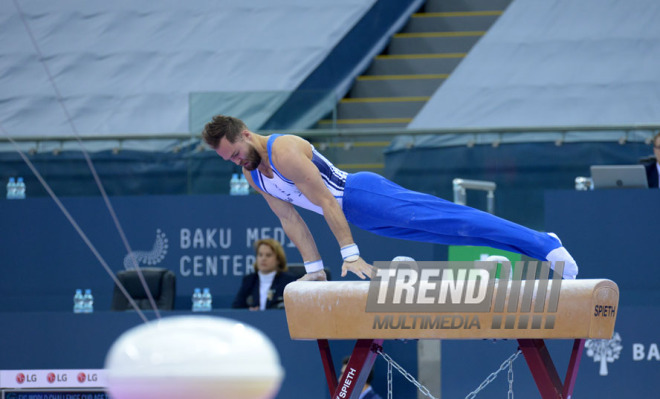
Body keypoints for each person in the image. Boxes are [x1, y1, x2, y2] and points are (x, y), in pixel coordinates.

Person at [202, 115, 578, 281]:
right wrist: (314, 271)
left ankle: (543, 243)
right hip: (364, 215)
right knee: (452, 235)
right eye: (228, 160)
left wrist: (350, 254)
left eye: (235, 152)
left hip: (362, 195)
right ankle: (534, 247)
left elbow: (327, 202)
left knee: (453, 220)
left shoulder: (282, 151)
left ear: (246, 134)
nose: (236, 162)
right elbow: (291, 220)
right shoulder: (253, 175)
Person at [232, 239, 296, 310]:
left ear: (278, 259)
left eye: (268, 255)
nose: (263, 258)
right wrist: (249, 311)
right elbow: (237, 307)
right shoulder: (249, 280)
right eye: (260, 255)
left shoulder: (287, 281)